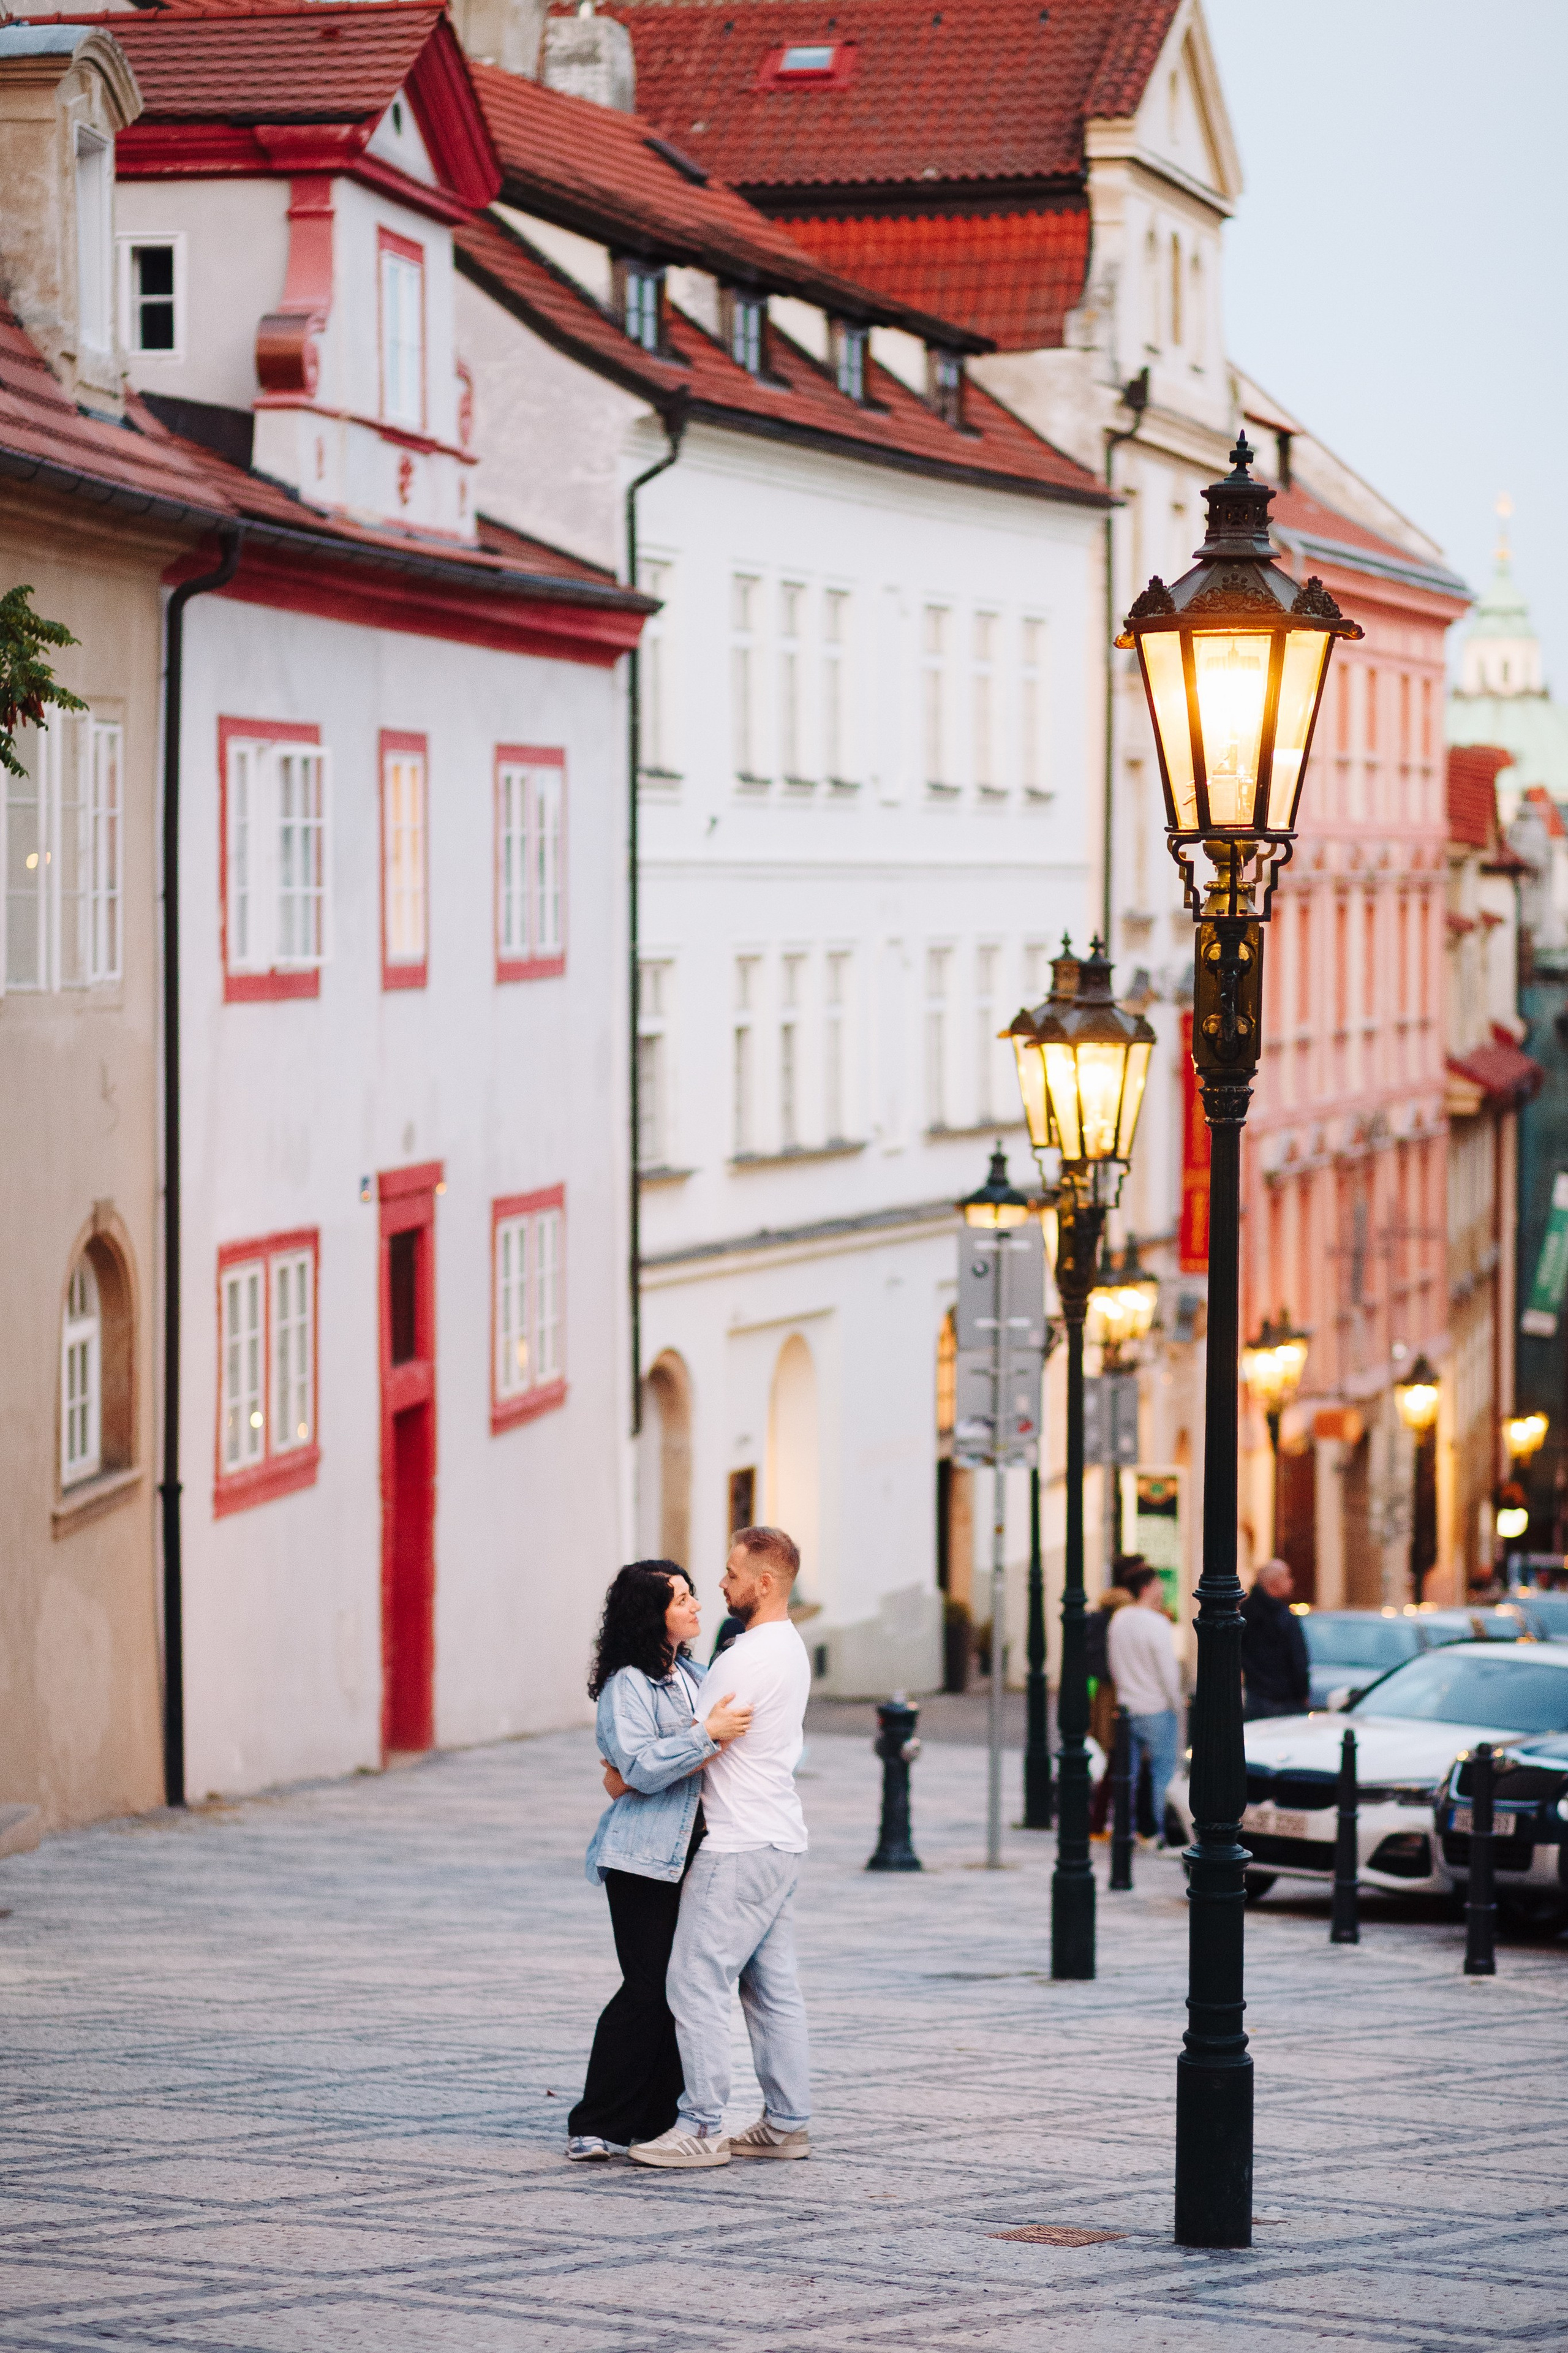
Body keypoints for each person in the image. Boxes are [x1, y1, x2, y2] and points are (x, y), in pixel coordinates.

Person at [626, 1525, 813, 2172]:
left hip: (735, 1843)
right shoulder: (789, 1647)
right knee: (771, 1987)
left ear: (765, 1583)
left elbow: (697, 1744)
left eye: (732, 1572)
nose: (721, 1582)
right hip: (781, 1839)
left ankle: (701, 2123)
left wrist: (627, 1767)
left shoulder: (742, 1656)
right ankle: (786, 2122)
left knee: (695, 1979)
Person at [567, 1561, 752, 2162]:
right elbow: (643, 1769)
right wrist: (706, 1737)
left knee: (684, 1988)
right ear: (652, 1613)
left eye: (693, 1593)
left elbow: (643, 1770)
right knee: (646, 1986)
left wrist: (694, 1746)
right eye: (680, 1598)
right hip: (644, 1858)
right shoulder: (629, 1684)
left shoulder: (695, 1675)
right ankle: (594, 2121)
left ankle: (654, 2119)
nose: (696, 1604)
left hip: (702, 1851)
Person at [1105, 1563, 1183, 1847]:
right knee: (1163, 1773)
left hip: (1127, 1706)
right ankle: (1159, 1833)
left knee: (1128, 1775)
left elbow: (1113, 1663)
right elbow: (1168, 1672)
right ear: (1148, 1588)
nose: (1163, 1590)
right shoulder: (1157, 1623)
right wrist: (1177, 1704)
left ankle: (1126, 1830)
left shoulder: (1119, 1619)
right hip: (1157, 1707)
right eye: (1160, 1584)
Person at [1088, 1566, 1139, 1837]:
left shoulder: (1094, 1624)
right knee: (1119, 1761)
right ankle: (1109, 1824)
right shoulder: (1115, 1628)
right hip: (1115, 1696)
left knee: (1115, 1760)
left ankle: (1101, 1823)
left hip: (1102, 1695)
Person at [1241, 1557, 1311, 1719]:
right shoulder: (1283, 1617)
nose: (1291, 1582)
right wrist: (1303, 1693)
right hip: (1285, 1699)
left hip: (1256, 1695)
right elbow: (1298, 1659)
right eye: (1287, 1577)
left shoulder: (1246, 1612)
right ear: (1274, 1582)